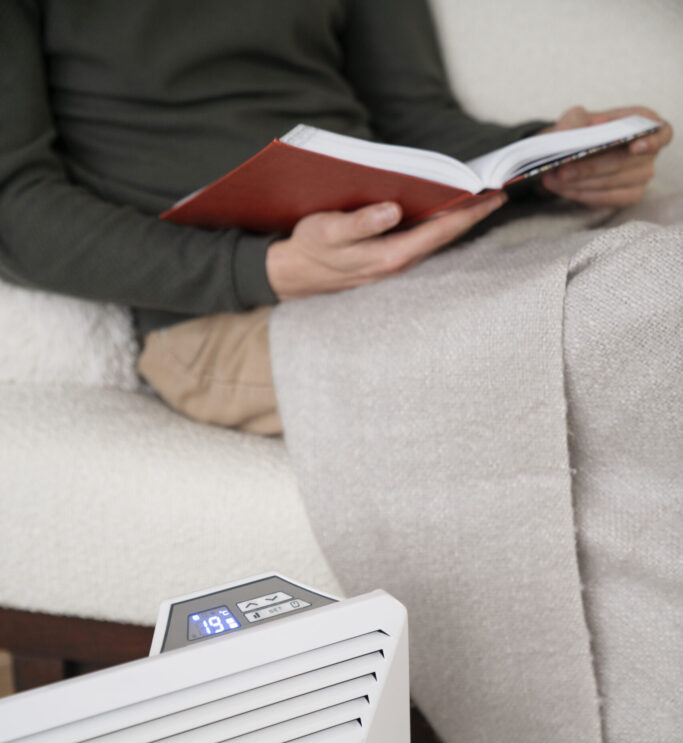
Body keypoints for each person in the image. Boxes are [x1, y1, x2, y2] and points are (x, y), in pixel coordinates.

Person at [0, 0, 672, 434]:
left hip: (408, 263)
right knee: (612, 351)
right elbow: (14, 204)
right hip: (221, 316)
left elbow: (419, 124)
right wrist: (261, 269)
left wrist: (553, 159)